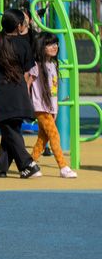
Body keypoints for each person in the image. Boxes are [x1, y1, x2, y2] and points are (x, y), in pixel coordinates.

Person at [0, 9, 41, 179]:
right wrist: (24, 90)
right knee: (12, 128)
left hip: (1, 91)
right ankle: (10, 166)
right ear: (18, 26)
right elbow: (26, 73)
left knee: (9, 129)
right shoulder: (24, 44)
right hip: (18, 90)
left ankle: (22, 165)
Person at [28, 33, 77, 178]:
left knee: (43, 139)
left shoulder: (53, 64)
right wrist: (27, 104)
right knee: (54, 134)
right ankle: (63, 166)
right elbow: (28, 84)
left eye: (56, 43)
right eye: (50, 44)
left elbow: (54, 90)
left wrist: (55, 108)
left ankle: (30, 163)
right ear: (41, 47)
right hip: (39, 107)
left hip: (49, 107)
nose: (54, 47)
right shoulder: (36, 66)